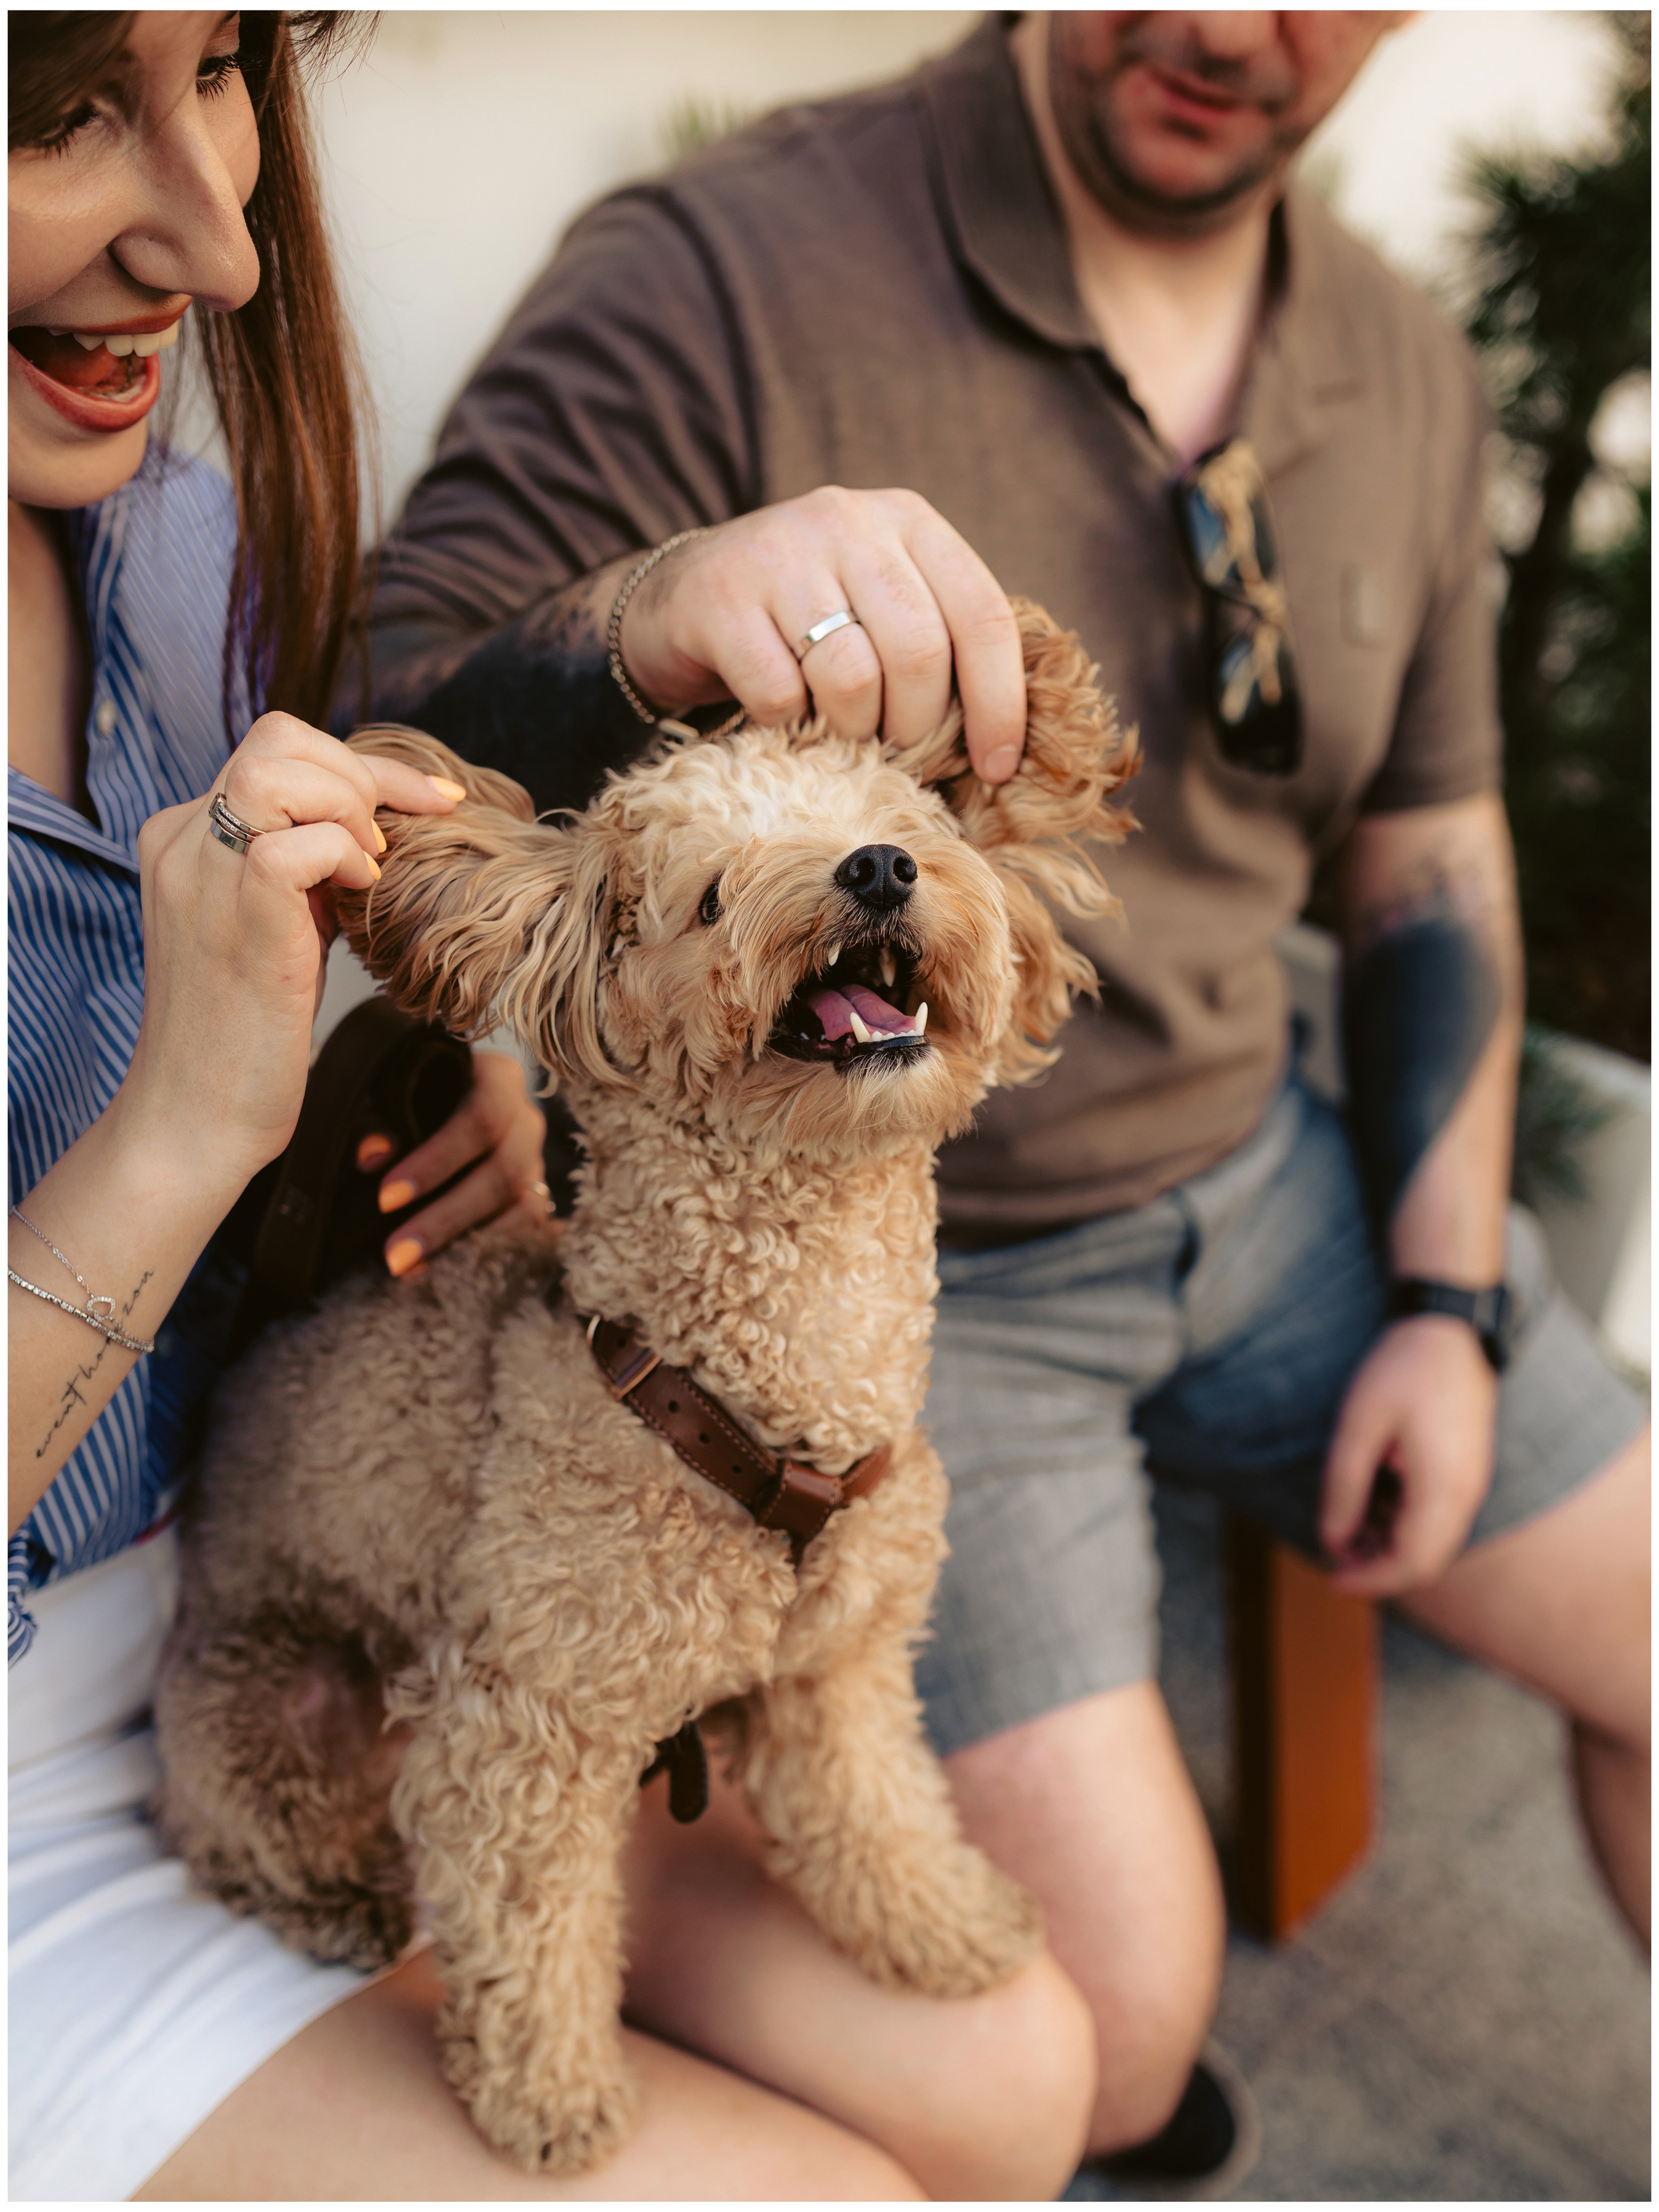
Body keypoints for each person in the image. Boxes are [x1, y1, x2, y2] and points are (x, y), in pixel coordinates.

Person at [361, 8, 1652, 2193]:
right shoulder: (713, 266)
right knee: (1106, 2036)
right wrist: (649, 612)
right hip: (894, 1284)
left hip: (1277, 1183)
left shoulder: (1405, 364)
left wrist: (1447, 1298)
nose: (1236, 27)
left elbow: (1435, 864)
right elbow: (384, 712)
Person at [6, 13, 1096, 2200]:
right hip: (54, 1769)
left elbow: (437, 854)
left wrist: (409, 1091)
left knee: (1022, 2071)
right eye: (50, 114)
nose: (224, 250)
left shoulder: (173, 537)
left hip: (276, 1551)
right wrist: (188, 1133)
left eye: (225, 69)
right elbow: (164, 1103)